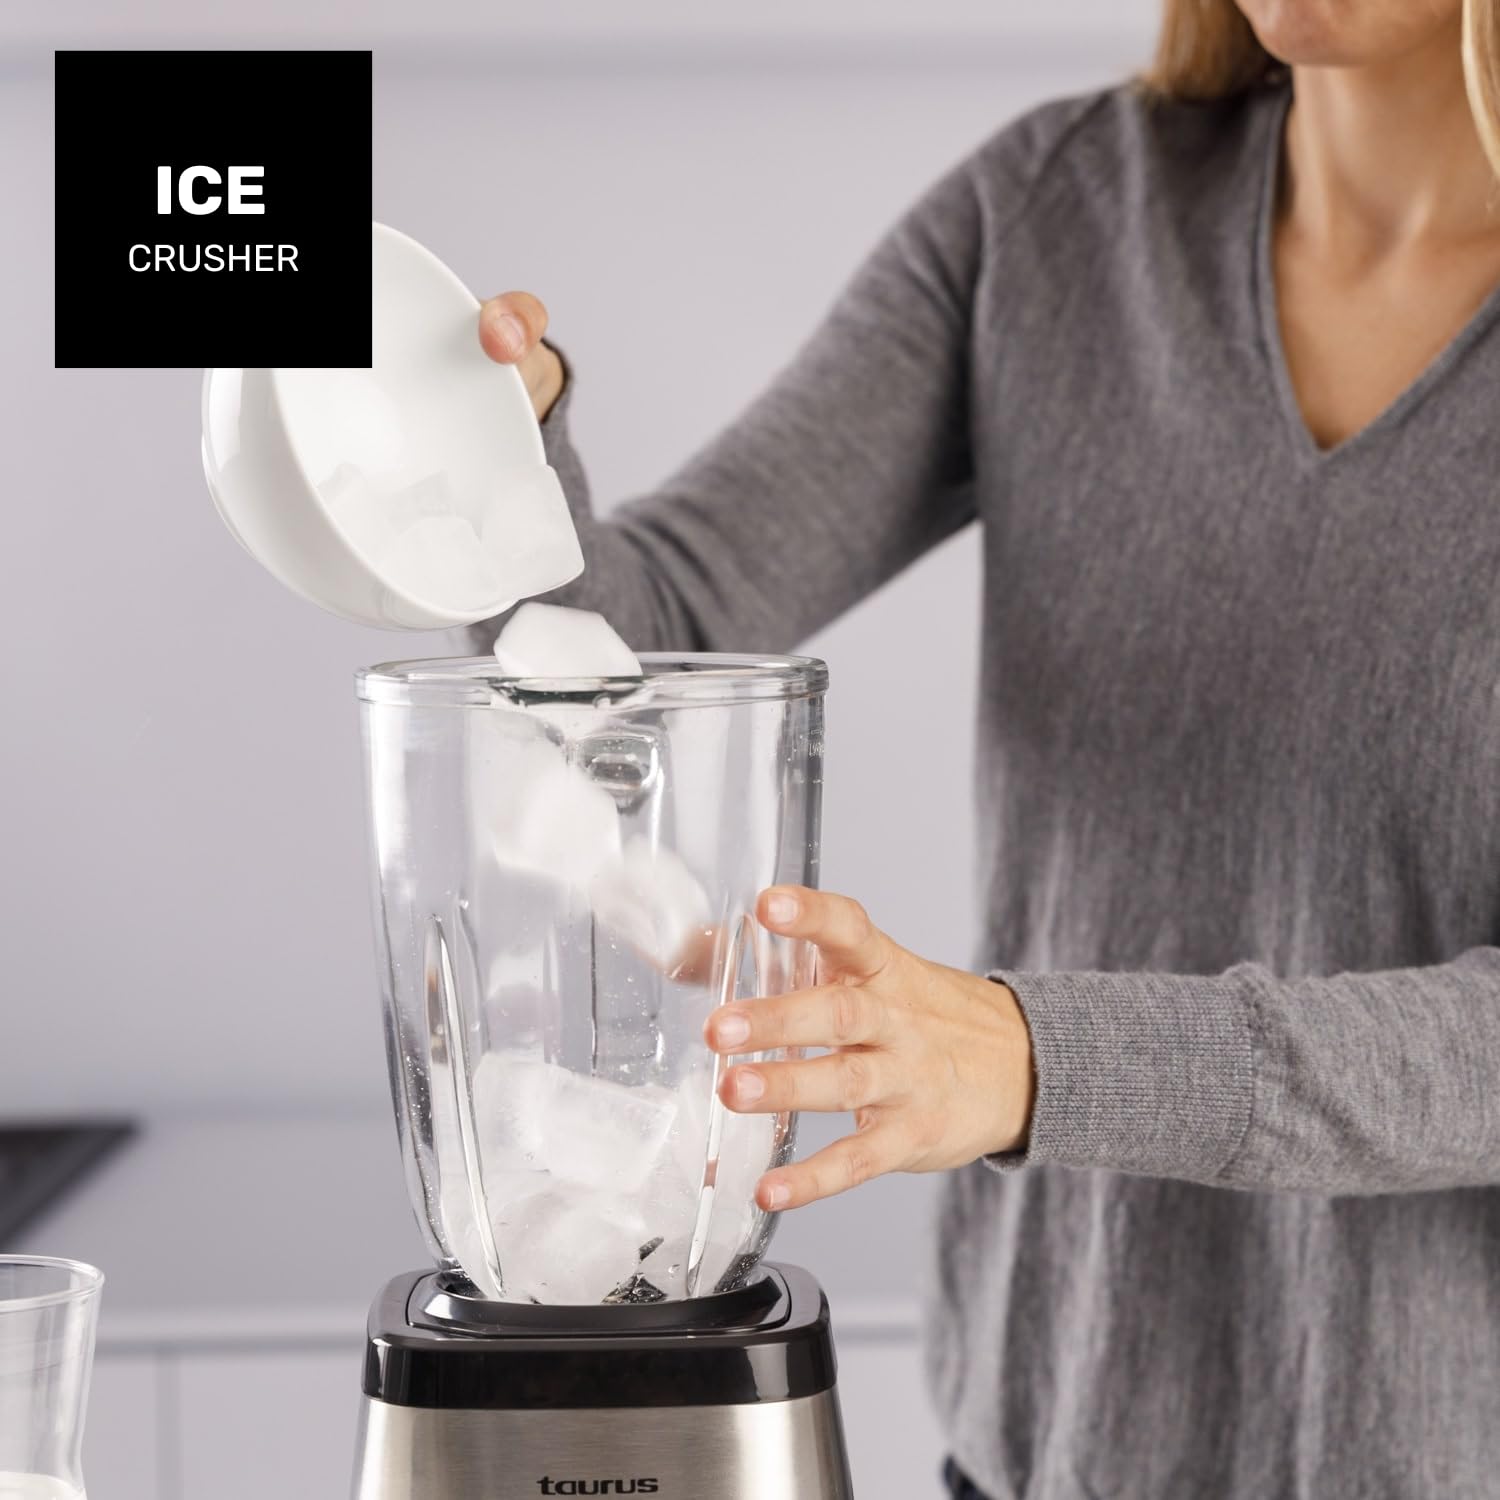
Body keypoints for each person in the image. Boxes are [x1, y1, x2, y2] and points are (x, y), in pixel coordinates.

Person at [470, 1, 1500, 1493]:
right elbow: (637, 634)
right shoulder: (1053, 214)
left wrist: (1039, 1061)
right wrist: (484, 453)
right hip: (1046, 1437)